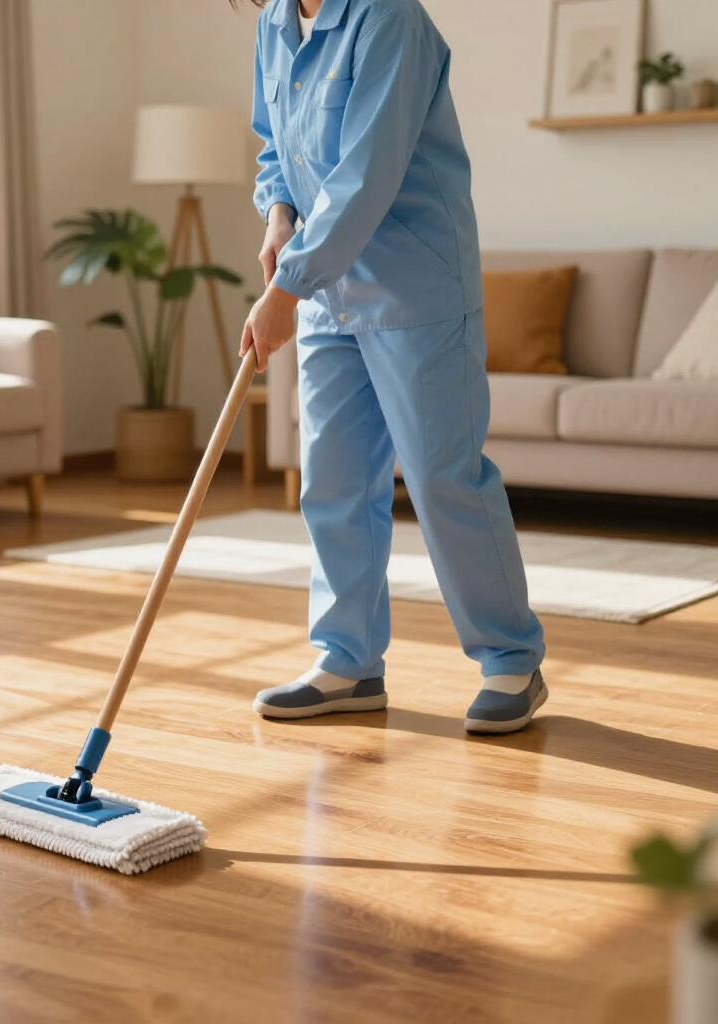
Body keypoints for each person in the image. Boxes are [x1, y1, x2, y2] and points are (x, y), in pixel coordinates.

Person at [237, 0, 548, 734]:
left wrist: (284, 290)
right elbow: (274, 148)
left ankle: (511, 658)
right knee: (335, 481)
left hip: (415, 285)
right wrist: (277, 213)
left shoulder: (389, 19)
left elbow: (365, 175)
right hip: (327, 294)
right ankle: (347, 661)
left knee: (444, 478)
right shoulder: (275, 25)